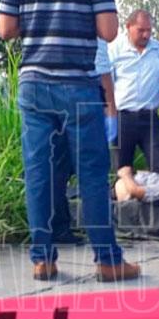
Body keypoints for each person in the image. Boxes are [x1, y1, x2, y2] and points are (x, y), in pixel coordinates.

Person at [0, 0, 140, 282]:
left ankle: (43, 260)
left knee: (38, 172)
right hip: (77, 84)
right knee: (91, 172)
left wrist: (40, 18)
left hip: (33, 83)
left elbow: (5, 29)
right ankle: (108, 261)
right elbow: (109, 31)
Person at [50, 39, 117, 246]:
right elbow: (103, 71)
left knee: (55, 168)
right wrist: (111, 111)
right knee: (92, 170)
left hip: (48, 96)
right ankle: (101, 239)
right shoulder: (92, 28)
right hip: (84, 98)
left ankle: (56, 229)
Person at [109, 9, 159, 174]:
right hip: (122, 118)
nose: (146, 35)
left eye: (149, 30)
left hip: (150, 118)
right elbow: (107, 84)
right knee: (122, 169)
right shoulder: (114, 51)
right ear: (128, 27)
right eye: (141, 30)